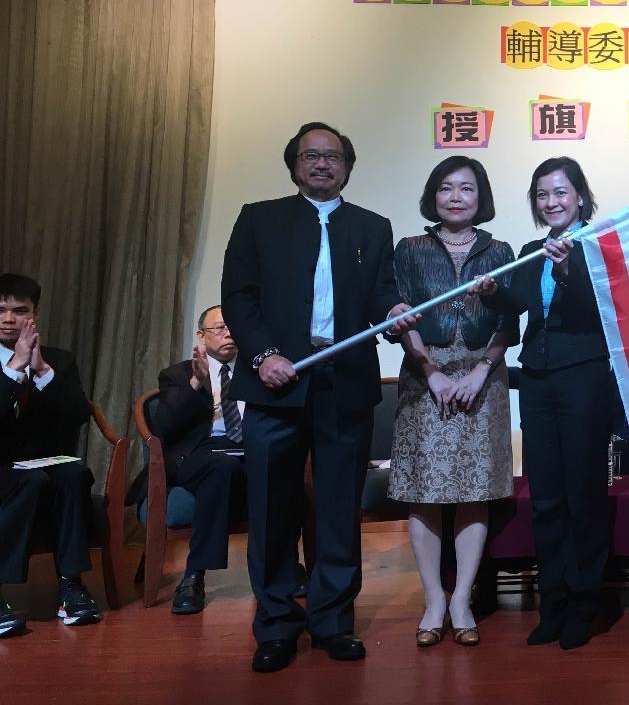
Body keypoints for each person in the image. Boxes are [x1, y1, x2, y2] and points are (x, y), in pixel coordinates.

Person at [221, 121, 416, 672]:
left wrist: (395, 314)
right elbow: (239, 298)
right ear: (295, 165)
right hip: (275, 382)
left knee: (337, 509)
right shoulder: (259, 219)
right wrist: (263, 357)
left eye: (333, 156)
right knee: (271, 508)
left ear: (347, 167)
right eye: (312, 155)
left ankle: (332, 620)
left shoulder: (372, 227)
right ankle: (277, 624)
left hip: (344, 382)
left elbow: (381, 294)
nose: (322, 164)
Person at [474, 157, 613, 651]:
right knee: (548, 497)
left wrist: (570, 268)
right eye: (542, 195)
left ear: (579, 196)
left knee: (584, 496)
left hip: (585, 378)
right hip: (536, 378)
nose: (551, 202)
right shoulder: (534, 249)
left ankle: (585, 604)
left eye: (560, 193)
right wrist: (493, 294)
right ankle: (551, 603)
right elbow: (519, 304)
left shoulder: (599, 244)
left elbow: (601, 310)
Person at [389, 156, 516, 649]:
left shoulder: (502, 250)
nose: (456, 196)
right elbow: (401, 318)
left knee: (472, 490)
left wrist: (482, 370)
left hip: (484, 377)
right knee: (425, 491)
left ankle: (461, 598)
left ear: (480, 197)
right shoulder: (410, 249)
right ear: (433, 196)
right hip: (426, 377)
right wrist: (432, 373)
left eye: (467, 188)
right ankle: (433, 600)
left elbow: (510, 321)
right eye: (446, 188)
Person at [126, 306, 247, 615]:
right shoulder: (178, 375)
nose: (228, 333)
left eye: (232, 327)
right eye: (219, 328)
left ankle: (286, 568)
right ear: (201, 336)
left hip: (247, 450)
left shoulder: (254, 369)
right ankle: (194, 575)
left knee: (277, 465)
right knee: (222, 467)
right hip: (196, 453)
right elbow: (164, 427)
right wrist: (197, 385)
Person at [0, 273, 101, 637]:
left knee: (74, 473)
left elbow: (78, 416)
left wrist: (41, 370)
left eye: (18, 310)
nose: (8, 319)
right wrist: (13, 370)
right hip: (3, 467)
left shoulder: (59, 359)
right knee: (30, 480)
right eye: (0, 311)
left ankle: (71, 586)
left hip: (45, 461)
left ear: (35, 314)